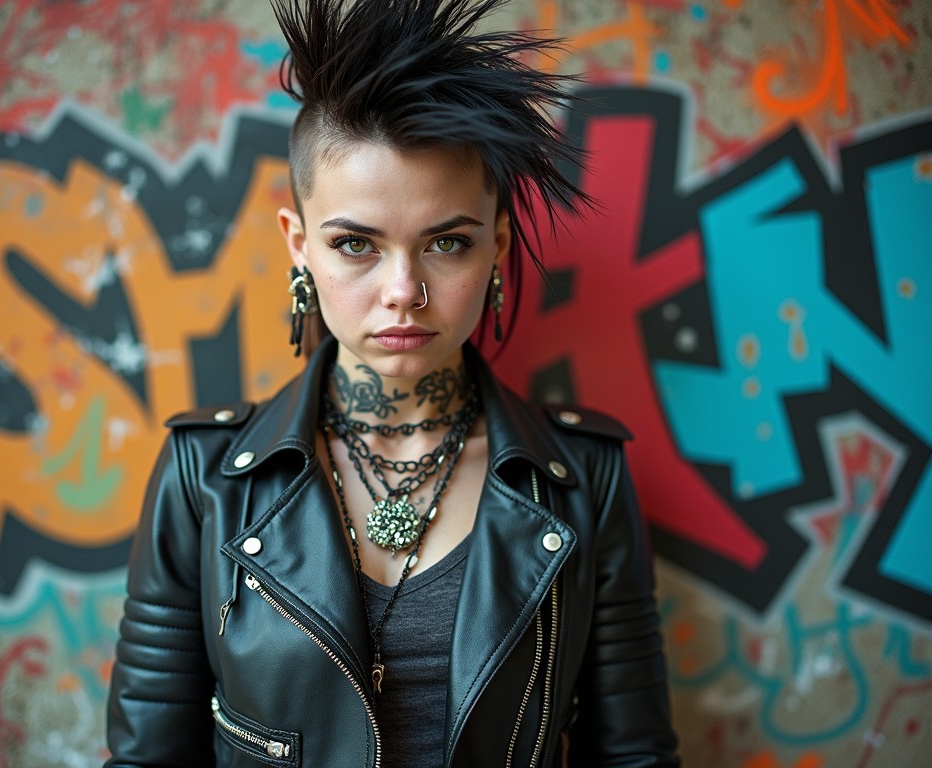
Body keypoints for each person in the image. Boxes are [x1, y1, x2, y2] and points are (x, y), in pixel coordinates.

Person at [105, 0, 680, 765]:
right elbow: (149, 756)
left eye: (447, 242)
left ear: (497, 245)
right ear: (299, 245)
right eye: (356, 245)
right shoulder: (202, 479)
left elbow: (633, 755)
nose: (404, 289)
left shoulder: (583, 481)